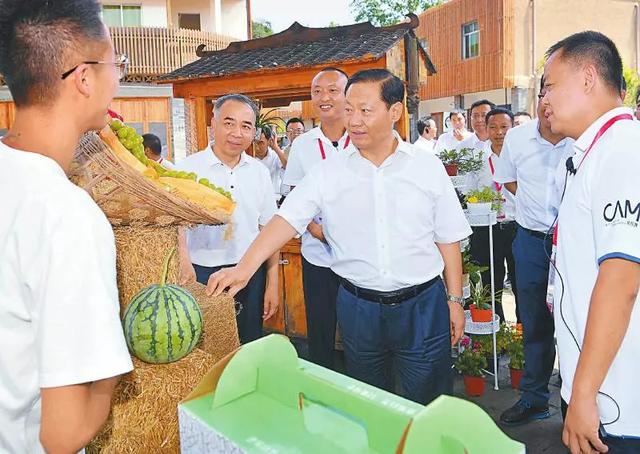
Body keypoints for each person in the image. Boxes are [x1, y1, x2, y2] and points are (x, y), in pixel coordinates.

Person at [207, 69, 471, 405]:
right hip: (358, 309)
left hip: (422, 307)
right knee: (369, 402)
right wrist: (243, 270)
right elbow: (286, 219)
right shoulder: (329, 171)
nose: (355, 120)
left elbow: (448, 237)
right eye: (349, 110)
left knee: (431, 403)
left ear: (394, 112)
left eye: (365, 110)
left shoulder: (425, 165)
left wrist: (454, 300)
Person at [0, 1, 134, 452]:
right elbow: (63, 434)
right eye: (117, 62)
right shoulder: (66, 215)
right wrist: (116, 360)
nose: (119, 76)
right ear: (83, 77)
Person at [543, 31, 640, 453]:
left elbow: (621, 279)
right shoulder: (594, 151)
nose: (543, 99)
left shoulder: (622, 150)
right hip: (597, 383)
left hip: (615, 396)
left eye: (548, 84)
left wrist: (583, 394)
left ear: (587, 77)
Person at [494, 77, 575, 426]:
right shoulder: (516, 138)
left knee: (576, 322)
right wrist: (531, 207)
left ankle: (576, 401)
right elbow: (508, 179)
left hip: (574, 243)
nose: (546, 102)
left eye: (555, 93)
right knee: (534, 321)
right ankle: (534, 398)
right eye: (543, 93)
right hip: (529, 241)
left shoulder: (582, 140)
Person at [176, 94, 279, 344]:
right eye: (229, 123)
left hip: (249, 272)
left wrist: (272, 283)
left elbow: (269, 229)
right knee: (205, 345)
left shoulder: (259, 172)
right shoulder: (187, 169)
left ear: (254, 131)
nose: (237, 133)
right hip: (201, 272)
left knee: (247, 343)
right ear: (214, 123)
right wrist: (184, 259)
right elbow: (175, 222)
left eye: (246, 126)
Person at [281, 67, 353, 370]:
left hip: (359, 256)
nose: (324, 98)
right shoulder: (303, 144)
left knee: (359, 334)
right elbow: (294, 197)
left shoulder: (363, 137)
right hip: (317, 254)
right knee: (320, 330)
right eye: (317, 92)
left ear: (346, 95)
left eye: (332, 90)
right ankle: (321, 390)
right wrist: (315, 229)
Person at [469, 108, 518, 323]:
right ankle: (497, 338)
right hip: (487, 228)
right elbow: (469, 192)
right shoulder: (477, 158)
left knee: (519, 283)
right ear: (486, 129)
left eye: (504, 127)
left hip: (516, 225)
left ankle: (521, 333)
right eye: (493, 127)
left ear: (512, 128)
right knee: (492, 284)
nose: (499, 132)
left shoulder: (519, 155)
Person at [253, 126, 285, 199]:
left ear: (269, 141)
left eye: (261, 143)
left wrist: (276, 147)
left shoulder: (275, 156)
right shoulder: (249, 157)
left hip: (273, 197)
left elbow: (287, 166)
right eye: (255, 142)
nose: (257, 147)